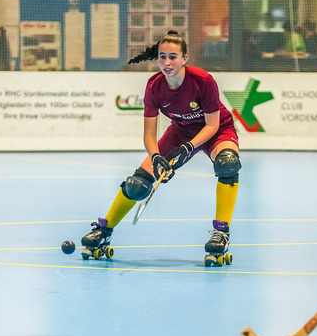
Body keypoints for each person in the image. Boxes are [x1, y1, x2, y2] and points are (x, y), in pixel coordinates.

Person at [81, 31, 241, 267]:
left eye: (173, 57)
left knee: (227, 164)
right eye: (162, 56)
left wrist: (188, 147)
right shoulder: (154, 86)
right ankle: (103, 231)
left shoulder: (203, 80)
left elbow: (212, 125)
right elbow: (149, 135)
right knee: (137, 184)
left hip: (216, 130)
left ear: (184, 59)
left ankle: (221, 233)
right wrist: (156, 157)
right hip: (181, 132)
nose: (167, 62)